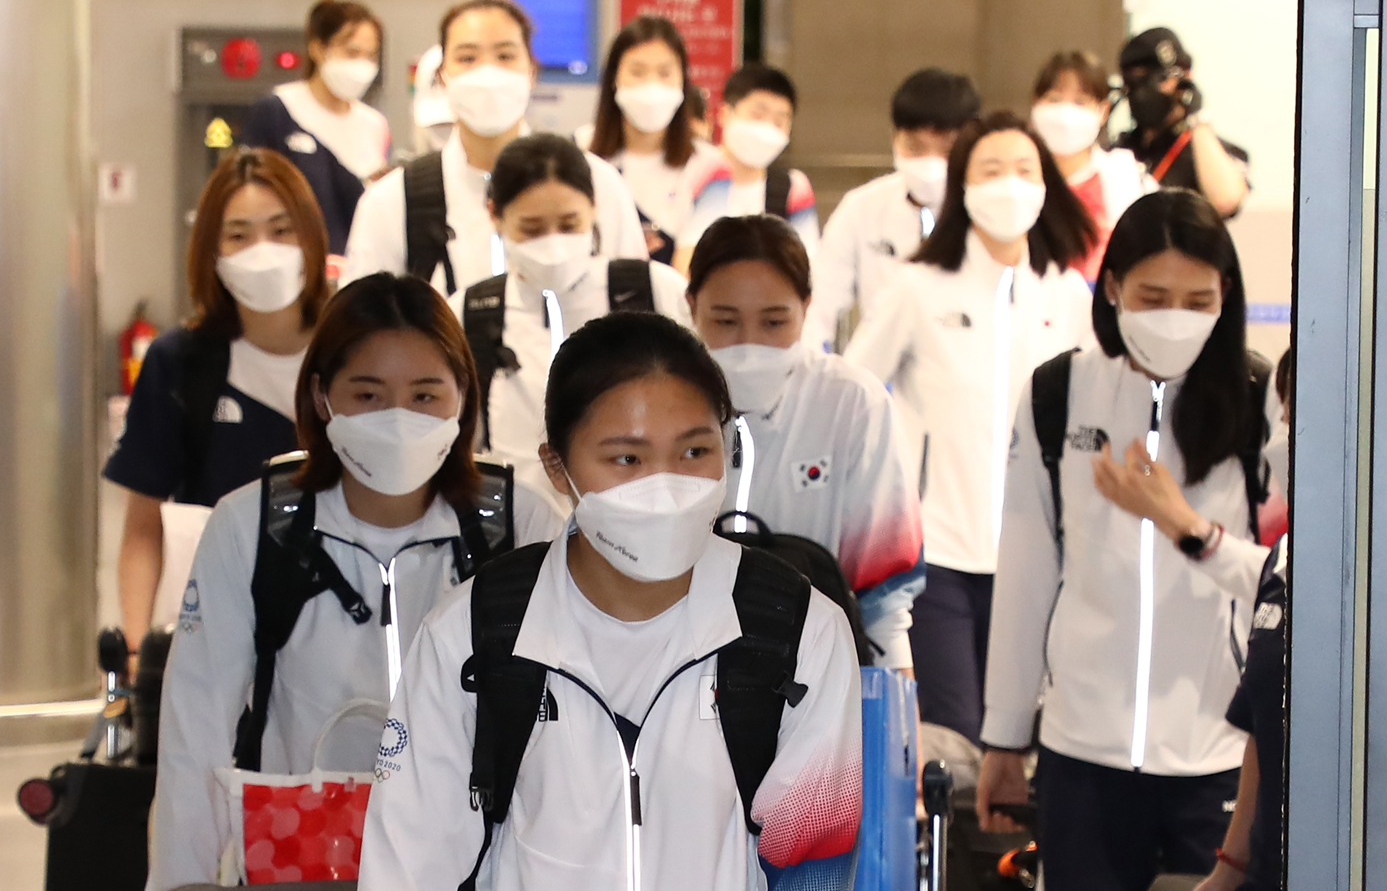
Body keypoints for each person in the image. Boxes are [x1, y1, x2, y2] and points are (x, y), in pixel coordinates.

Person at [357, 311, 862, 890]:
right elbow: (408, 870)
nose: (665, 484)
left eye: (695, 452)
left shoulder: (799, 632)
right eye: (627, 459)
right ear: (557, 466)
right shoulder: (470, 635)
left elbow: (814, 867)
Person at [147, 273, 562, 891]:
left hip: (477, 858)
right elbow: (195, 728)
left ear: (462, 398)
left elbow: (565, 722)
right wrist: (181, 880)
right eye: (367, 395)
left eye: (425, 396)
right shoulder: (252, 524)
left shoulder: (516, 523)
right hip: (303, 858)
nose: (398, 418)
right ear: (322, 397)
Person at [979, 189, 1276, 891]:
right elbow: (1025, 571)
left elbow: (1287, 583)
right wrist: (1004, 733)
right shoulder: (1058, 394)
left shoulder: (1262, 401)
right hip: (1082, 752)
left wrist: (1188, 529)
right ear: (1111, 287)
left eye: (1197, 300)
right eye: (1152, 295)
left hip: (1217, 756)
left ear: (1225, 295)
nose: (1175, 317)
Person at [844, 110, 1097, 747]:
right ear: (962, 185)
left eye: (1023, 170)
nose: (1009, 185)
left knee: (1024, 743)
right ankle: (946, 849)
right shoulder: (918, 286)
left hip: (1041, 554)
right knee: (952, 741)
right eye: (991, 170)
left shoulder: (1067, 295)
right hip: (938, 556)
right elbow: (852, 390)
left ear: (1046, 186)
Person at [104, 149, 331, 659]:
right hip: (218, 629)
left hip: (342, 623)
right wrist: (141, 656)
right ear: (212, 251)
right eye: (238, 235)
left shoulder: (356, 348)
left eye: (280, 230)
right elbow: (143, 526)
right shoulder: (181, 362)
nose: (262, 250)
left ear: (312, 238)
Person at [685, 214, 924, 670]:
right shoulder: (660, 400)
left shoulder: (851, 403)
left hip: (814, 671)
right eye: (725, 321)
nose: (749, 344)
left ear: (806, 307)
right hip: (681, 668)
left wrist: (894, 702)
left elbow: (884, 588)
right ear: (692, 305)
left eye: (774, 323)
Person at [450, 133, 692, 508]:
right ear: (495, 216)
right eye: (531, 229)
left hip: (640, 521)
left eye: (569, 224)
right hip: (515, 536)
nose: (553, 244)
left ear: (594, 209)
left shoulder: (652, 291)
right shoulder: (469, 312)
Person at [343, 0, 647, 295]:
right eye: (467, 58)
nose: (487, 73)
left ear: (532, 71)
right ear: (443, 77)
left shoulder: (598, 184)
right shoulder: (393, 201)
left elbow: (637, 309)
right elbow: (360, 326)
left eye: (505, 56)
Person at [1194, 348, 1291, 891]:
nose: (1285, 437)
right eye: (1285, 415)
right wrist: (1228, 870)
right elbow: (1263, 726)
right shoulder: (1282, 562)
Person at [807, 68, 982, 352]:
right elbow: (818, 305)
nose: (930, 163)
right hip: (879, 371)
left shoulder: (986, 212)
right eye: (916, 147)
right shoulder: (862, 208)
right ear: (895, 139)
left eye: (946, 151)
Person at [238, 0, 390, 258]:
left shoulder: (374, 124)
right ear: (318, 49)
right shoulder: (278, 111)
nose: (361, 66)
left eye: (370, 56)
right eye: (351, 53)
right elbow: (246, 197)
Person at [578, 15, 720, 262]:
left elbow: (693, 264)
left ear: (682, 81)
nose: (651, 86)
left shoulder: (710, 166)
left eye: (665, 73)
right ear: (614, 79)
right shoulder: (578, 152)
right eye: (637, 72)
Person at [678, 62, 819, 273]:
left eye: (780, 122)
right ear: (725, 114)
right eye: (758, 115)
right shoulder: (692, 171)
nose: (767, 129)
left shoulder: (793, 188)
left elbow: (808, 267)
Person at [1031, 50, 1157, 282]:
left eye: (1080, 102)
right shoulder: (1018, 177)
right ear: (1035, 104)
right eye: (1054, 99)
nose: (1065, 114)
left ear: (1103, 111)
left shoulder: (1125, 175)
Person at [1111, 28, 1251, 218]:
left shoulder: (1205, 151)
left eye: (1160, 79)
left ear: (1185, 80)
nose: (1146, 92)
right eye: (1136, 81)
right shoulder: (1120, 152)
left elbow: (1226, 201)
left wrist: (1197, 118)